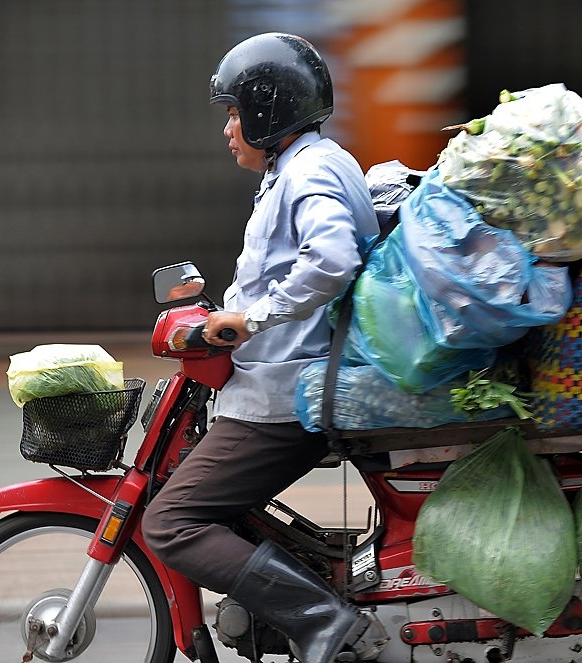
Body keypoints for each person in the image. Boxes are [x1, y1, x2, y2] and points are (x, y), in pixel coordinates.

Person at [141, 32, 379, 663]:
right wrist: (231, 313)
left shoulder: (308, 170)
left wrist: (248, 321)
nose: (227, 128)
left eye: (233, 112)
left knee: (169, 523)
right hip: (287, 379)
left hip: (281, 397)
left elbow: (331, 259)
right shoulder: (305, 166)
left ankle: (322, 620)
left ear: (267, 110)